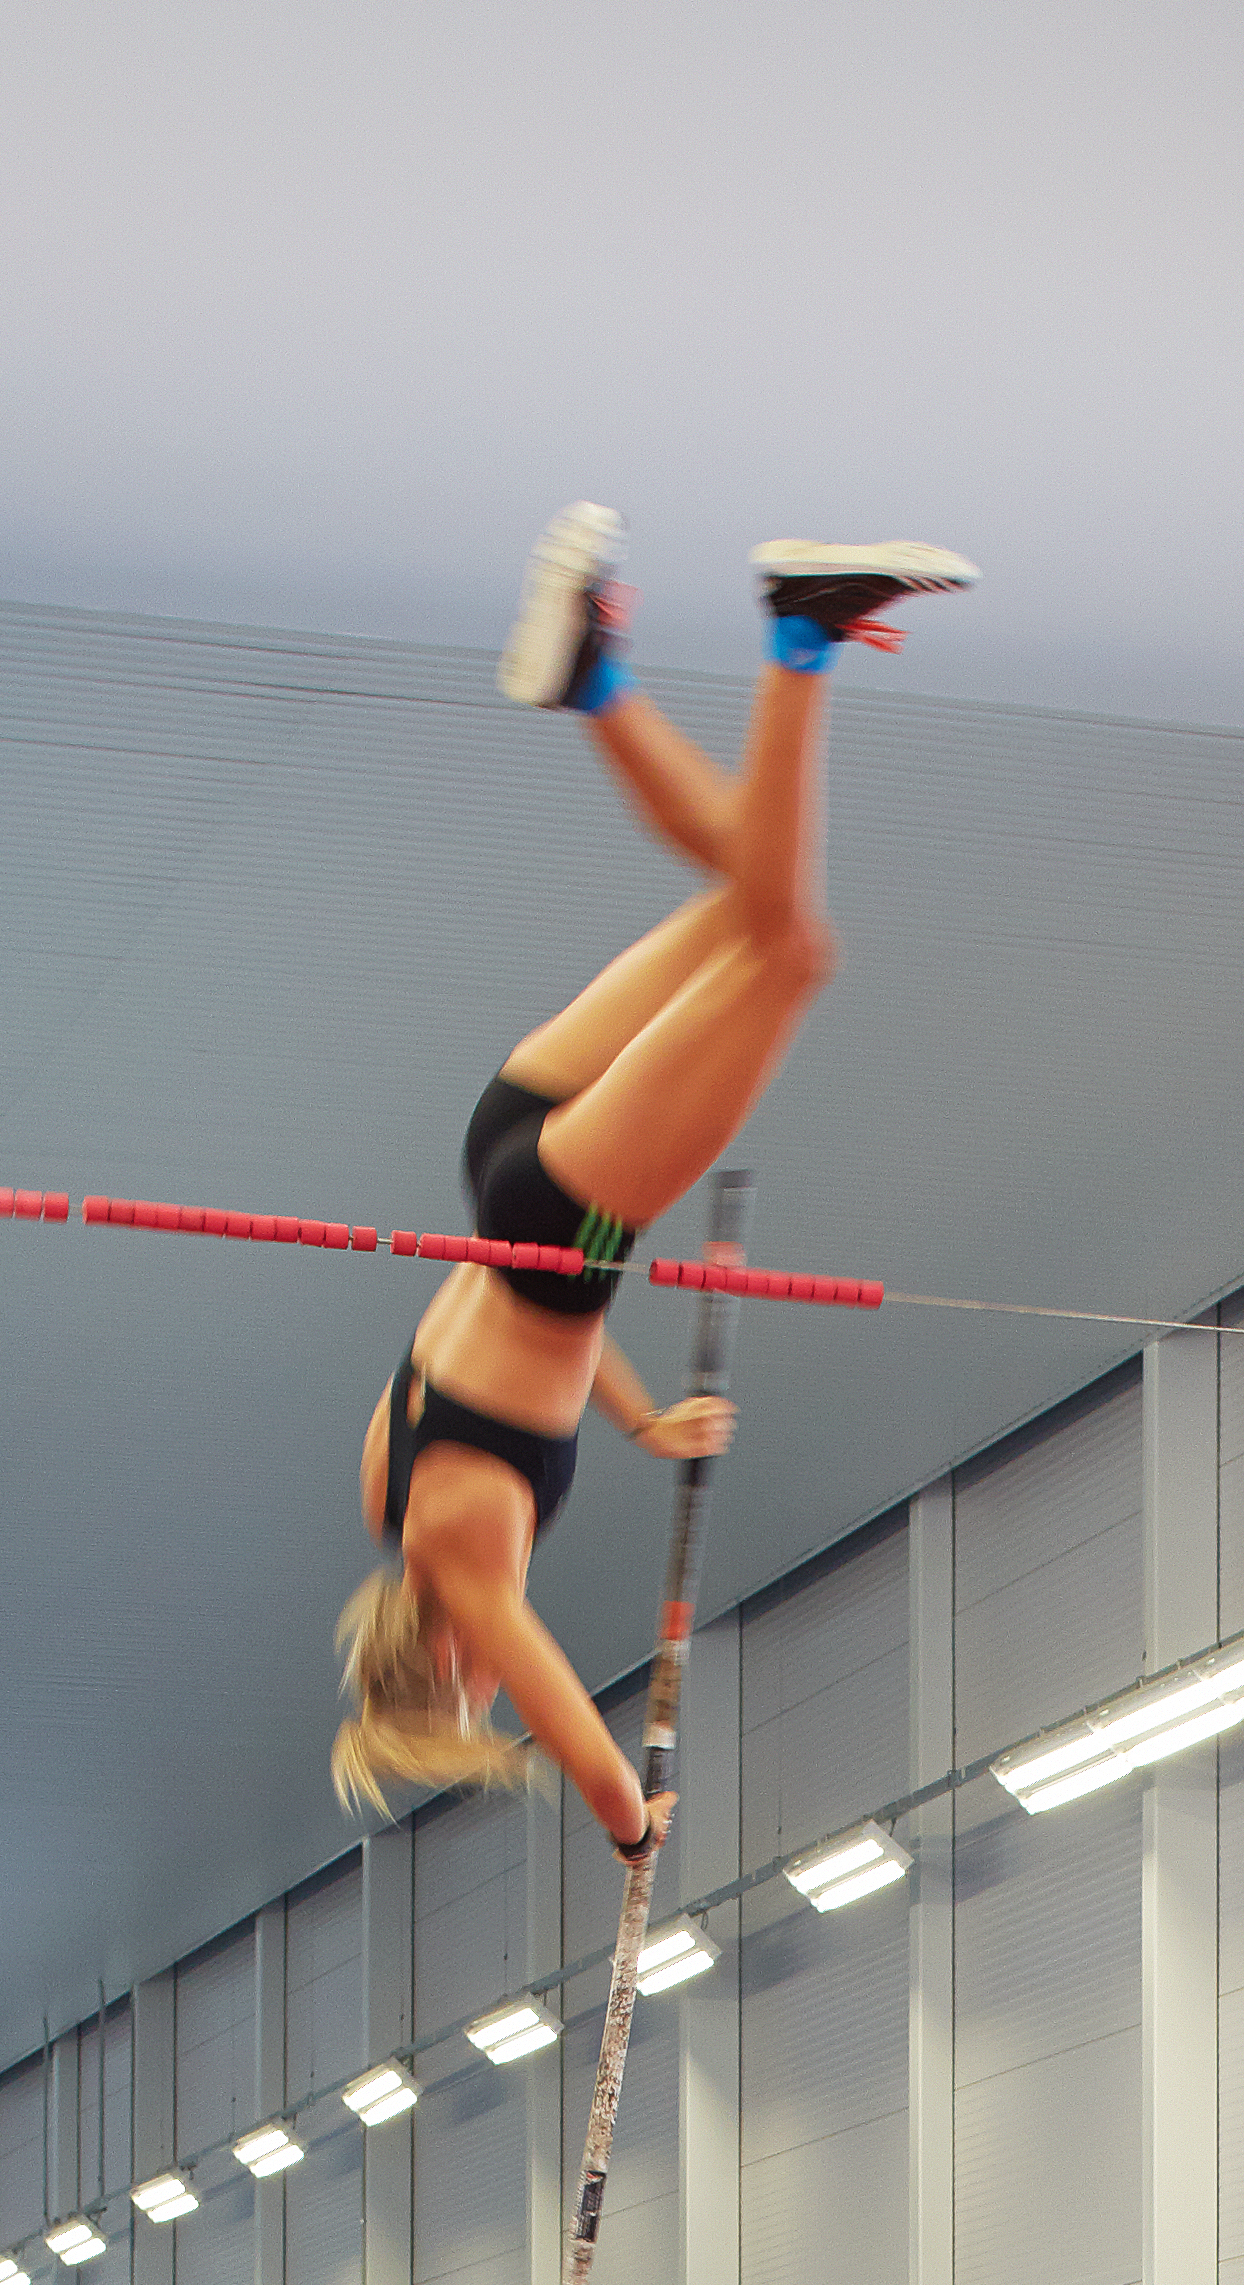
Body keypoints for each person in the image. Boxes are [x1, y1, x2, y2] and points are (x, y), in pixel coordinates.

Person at [333, 504, 976, 1846]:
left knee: (792, 950)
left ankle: (799, 636)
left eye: (472, 1691)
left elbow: (561, 1695)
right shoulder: (389, 1485)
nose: (492, 1683)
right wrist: (638, 1423)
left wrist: (629, 1815)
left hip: (560, 1217)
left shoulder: (461, 1554)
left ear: (444, 1663)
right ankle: (597, 685)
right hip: (507, 1159)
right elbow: (517, 1348)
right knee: (753, 896)